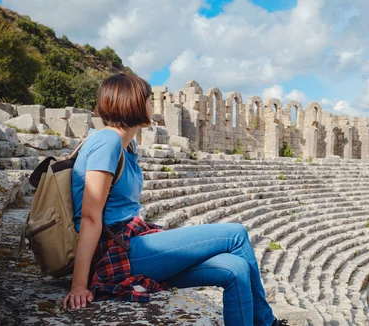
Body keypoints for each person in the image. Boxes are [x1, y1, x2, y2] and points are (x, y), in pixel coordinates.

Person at [63, 73, 289, 326]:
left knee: (236, 269)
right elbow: (90, 216)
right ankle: (269, 323)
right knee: (236, 234)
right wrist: (79, 285)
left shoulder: (127, 146)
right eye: (149, 101)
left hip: (132, 242)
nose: (152, 106)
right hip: (114, 252)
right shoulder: (107, 142)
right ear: (134, 103)